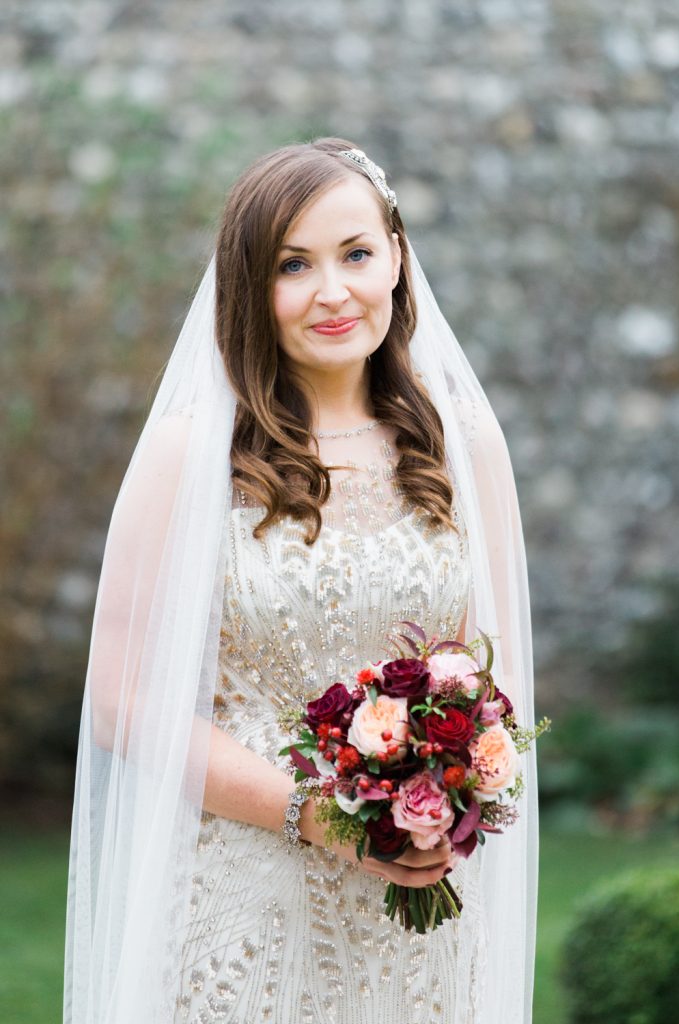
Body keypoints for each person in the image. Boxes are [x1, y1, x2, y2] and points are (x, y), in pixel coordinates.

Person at [64, 138, 538, 1024]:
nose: (333, 291)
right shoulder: (190, 456)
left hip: (419, 915)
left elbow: (495, 674)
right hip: (241, 896)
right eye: (293, 265)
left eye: (355, 254)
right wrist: (322, 817)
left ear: (396, 256)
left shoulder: (464, 447)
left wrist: (440, 796)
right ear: (252, 286)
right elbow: (124, 700)